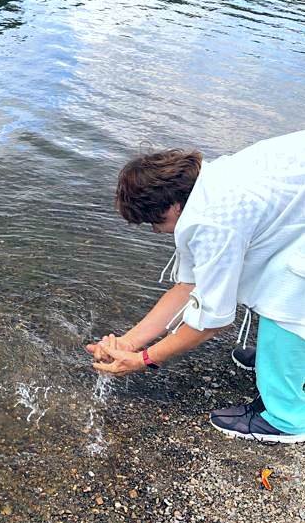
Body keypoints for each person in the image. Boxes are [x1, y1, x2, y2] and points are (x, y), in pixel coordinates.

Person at [86, 131, 305, 444]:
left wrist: (145, 359)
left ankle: (288, 419)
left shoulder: (213, 220)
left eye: (155, 222)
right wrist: (129, 342)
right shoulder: (205, 184)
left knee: (287, 297)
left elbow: (212, 320)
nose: (156, 230)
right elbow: (189, 286)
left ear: (173, 206)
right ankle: (282, 359)